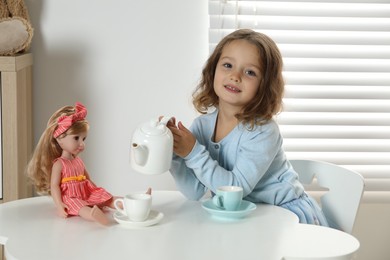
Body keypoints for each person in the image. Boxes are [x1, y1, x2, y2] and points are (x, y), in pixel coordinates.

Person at [167, 29, 328, 226]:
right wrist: (176, 153)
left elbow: (235, 189)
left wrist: (192, 152)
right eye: (227, 65)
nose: (235, 76)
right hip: (244, 214)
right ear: (212, 71)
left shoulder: (263, 130)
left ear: (265, 85)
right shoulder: (202, 125)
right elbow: (194, 191)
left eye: (250, 72)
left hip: (284, 214)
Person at [27, 102, 151, 226]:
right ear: (59, 138)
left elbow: (88, 178)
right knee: (79, 206)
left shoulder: (78, 161)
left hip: (86, 191)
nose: (82, 144)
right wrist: (59, 205)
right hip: (71, 196)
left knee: (107, 198)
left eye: (83, 139)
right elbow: (54, 186)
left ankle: (135, 203)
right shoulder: (59, 164)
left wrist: (98, 192)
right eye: (76, 138)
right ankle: (94, 215)